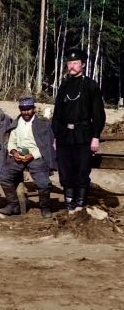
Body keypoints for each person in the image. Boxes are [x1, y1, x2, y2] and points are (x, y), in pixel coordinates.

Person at [51, 47, 106, 212]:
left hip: (83, 135)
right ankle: (69, 205)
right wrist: (56, 136)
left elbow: (98, 114)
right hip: (64, 136)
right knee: (66, 171)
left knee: (82, 170)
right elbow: (57, 114)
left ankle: (80, 205)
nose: (72, 66)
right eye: (69, 63)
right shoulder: (64, 86)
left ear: (82, 65)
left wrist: (95, 136)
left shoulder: (91, 86)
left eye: (76, 63)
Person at [0, 96, 56, 218]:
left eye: (28, 109)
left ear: (33, 109)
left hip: (36, 156)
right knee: (4, 176)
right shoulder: (16, 123)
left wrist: (32, 154)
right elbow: (11, 142)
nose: (26, 112)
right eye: (23, 109)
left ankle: (45, 207)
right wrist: (14, 152)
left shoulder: (42, 124)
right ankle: (13, 204)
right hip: (19, 155)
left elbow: (47, 145)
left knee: (43, 183)